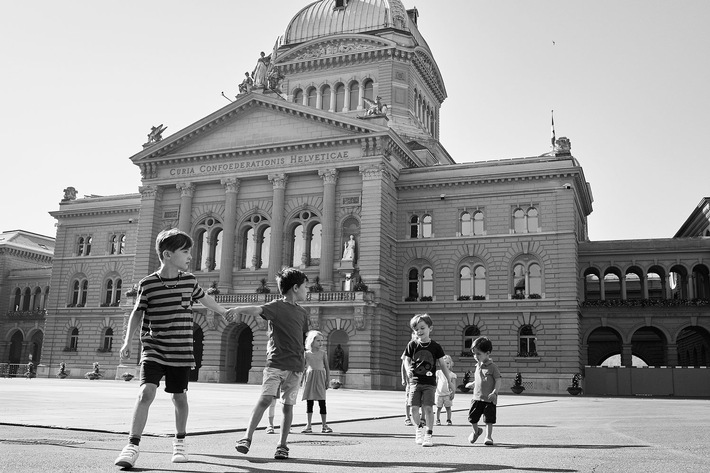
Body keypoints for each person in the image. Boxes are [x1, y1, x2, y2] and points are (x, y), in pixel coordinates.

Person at [114, 228, 233, 469]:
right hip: (154, 347)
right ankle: (132, 446)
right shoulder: (147, 284)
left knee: (179, 397)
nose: (190, 256)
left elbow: (204, 299)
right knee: (145, 392)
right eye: (186, 251)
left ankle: (180, 442)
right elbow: (137, 313)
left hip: (180, 350)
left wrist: (222, 311)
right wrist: (127, 341)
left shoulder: (189, 281)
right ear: (168, 255)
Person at [233, 267, 310, 461]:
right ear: (295, 287)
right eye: (305, 286)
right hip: (275, 365)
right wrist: (239, 309)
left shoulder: (302, 313)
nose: (307, 290)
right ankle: (246, 437)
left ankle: (282, 445)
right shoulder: (276, 306)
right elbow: (258, 310)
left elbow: (303, 338)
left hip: (296, 368)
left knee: (288, 406)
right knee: (266, 399)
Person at [403, 314, 454, 447]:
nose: (419, 331)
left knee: (428, 408)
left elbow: (442, 364)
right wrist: (408, 369)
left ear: (430, 328)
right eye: (416, 329)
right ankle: (419, 429)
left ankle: (429, 434)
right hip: (415, 381)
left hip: (429, 383)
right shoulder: (412, 344)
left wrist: (449, 380)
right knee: (414, 408)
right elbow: (406, 359)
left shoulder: (435, 346)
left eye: (422, 328)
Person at [466, 336, 502, 446]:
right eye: (474, 354)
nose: (475, 356)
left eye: (478, 354)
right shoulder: (477, 365)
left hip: (489, 399)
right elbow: (479, 379)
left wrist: (495, 392)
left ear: (487, 353)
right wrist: (472, 384)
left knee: (489, 420)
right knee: (472, 418)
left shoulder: (493, 367)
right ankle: (476, 431)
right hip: (477, 398)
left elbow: (498, 380)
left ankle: (488, 437)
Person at [300, 330, 332, 433]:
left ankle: (324, 425)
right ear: (311, 341)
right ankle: (308, 425)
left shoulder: (323, 353)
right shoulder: (306, 354)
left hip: (320, 378)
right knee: (309, 402)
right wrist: (300, 381)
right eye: (318, 340)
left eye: (321, 340)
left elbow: (327, 368)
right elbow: (303, 368)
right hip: (309, 378)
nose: (320, 343)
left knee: (322, 402)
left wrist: (328, 380)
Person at [435, 355, 457, 426]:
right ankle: (437, 419)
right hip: (439, 394)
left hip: (448, 394)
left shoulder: (452, 375)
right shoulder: (438, 373)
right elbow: (436, 383)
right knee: (438, 408)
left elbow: (453, 385)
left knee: (448, 408)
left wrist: (453, 393)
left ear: (451, 364)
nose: (446, 365)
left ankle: (448, 419)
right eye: (444, 363)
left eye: (448, 363)